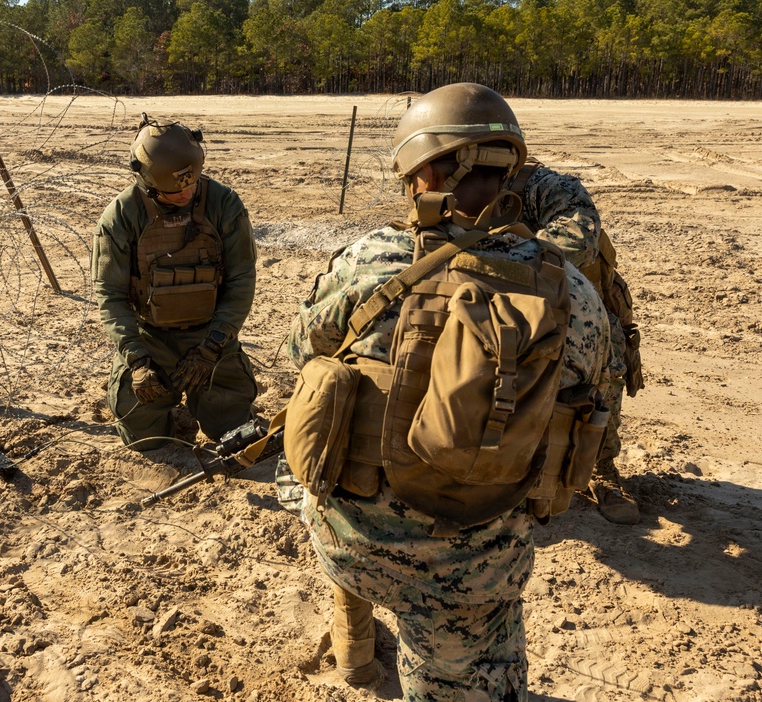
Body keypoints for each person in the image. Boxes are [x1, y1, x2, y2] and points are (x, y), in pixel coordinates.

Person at [276, 83, 611, 700]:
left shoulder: (370, 259)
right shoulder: (571, 293)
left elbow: (302, 352)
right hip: (474, 573)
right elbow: (589, 405)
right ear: (510, 167)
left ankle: (353, 644)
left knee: (337, 446)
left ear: (423, 169)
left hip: (348, 539)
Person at [91, 114, 258, 450]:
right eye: (173, 192)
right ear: (147, 184)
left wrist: (213, 347)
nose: (187, 194)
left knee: (235, 430)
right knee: (143, 438)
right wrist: (137, 360)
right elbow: (111, 296)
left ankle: (208, 399)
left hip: (208, 332)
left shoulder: (224, 203)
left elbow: (242, 278)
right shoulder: (121, 215)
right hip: (150, 337)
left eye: (192, 184)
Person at [508, 161, 645, 524]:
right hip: (503, 303)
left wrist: (497, 261)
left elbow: (578, 238)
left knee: (605, 368)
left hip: (575, 300)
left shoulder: (545, 185)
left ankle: (601, 467)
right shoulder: (450, 183)